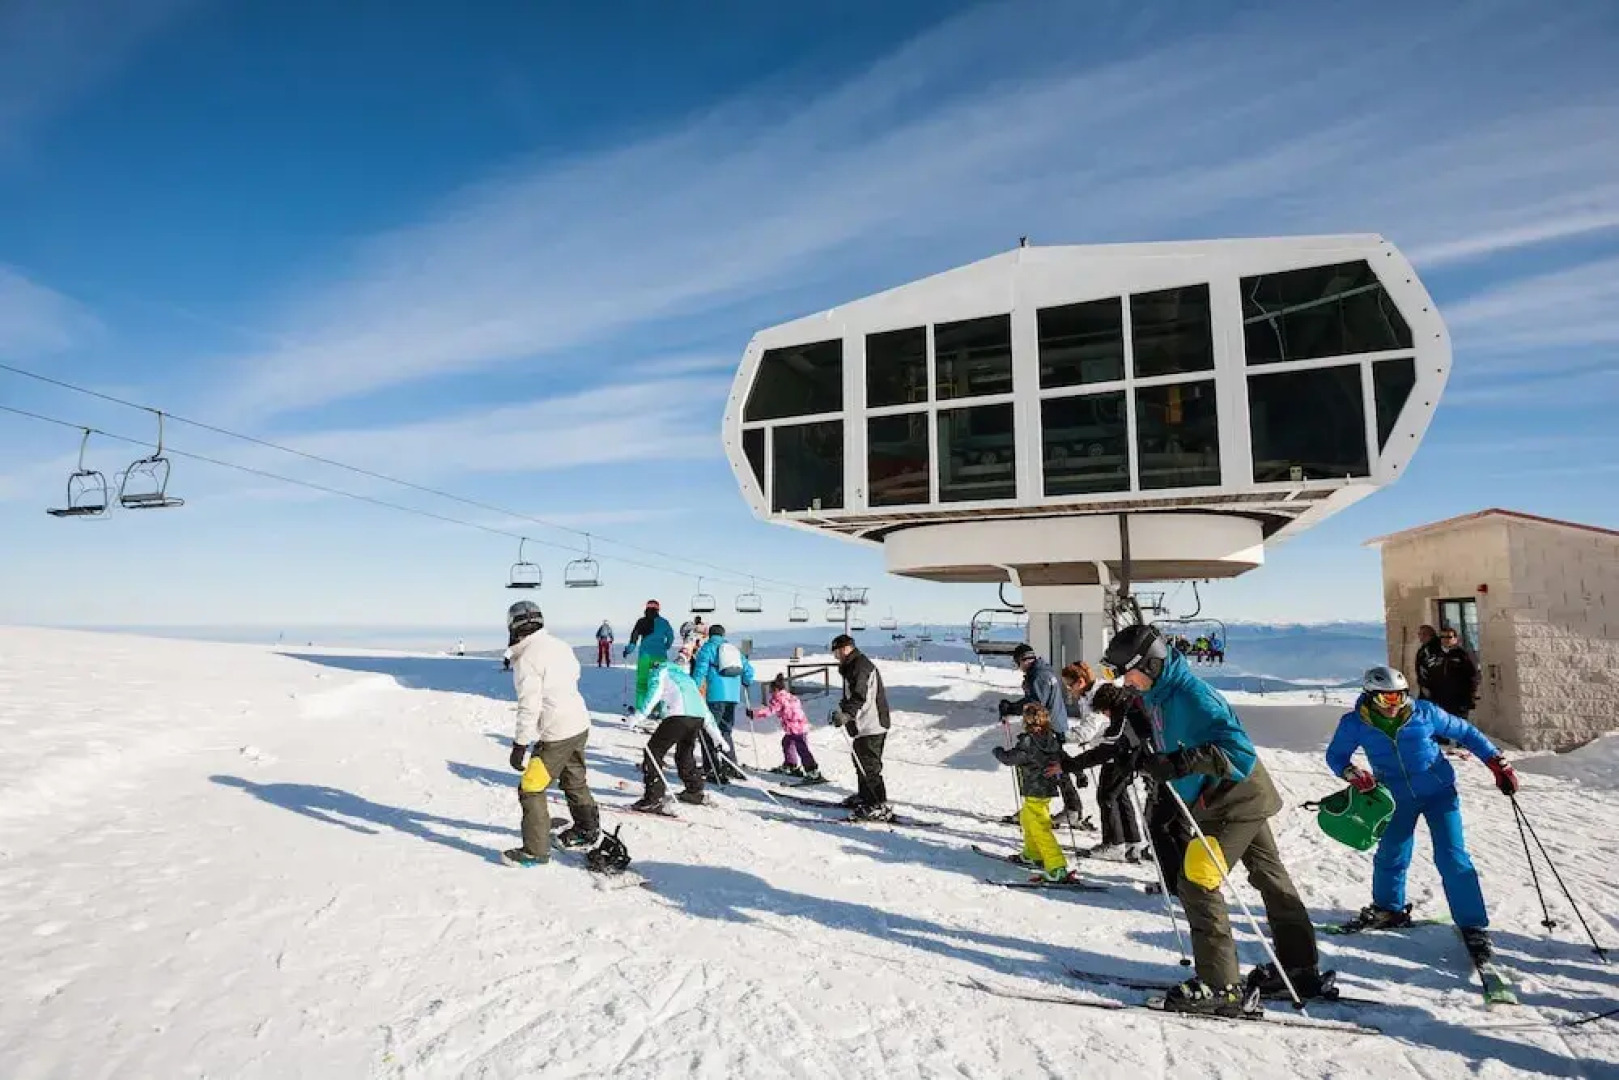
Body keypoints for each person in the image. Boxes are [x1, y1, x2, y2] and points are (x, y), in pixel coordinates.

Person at [1102, 623, 1323, 1015]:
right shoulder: (1158, 693)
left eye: (1127, 672)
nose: (1125, 681)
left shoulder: (1192, 696)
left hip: (1231, 799)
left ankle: (1221, 986)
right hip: (1231, 797)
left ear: (1151, 664)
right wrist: (1145, 754)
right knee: (1269, 876)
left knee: (1197, 881)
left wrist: (1179, 763)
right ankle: (1299, 969)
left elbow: (1239, 753)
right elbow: (1167, 736)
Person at [1325, 665, 1518, 960]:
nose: (1394, 704)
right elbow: (1336, 755)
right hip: (1395, 799)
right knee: (1391, 854)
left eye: (1400, 696)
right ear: (1370, 696)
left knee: (1452, 857)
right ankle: (1388, 909)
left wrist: (1495, 761)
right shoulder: (1355, 723)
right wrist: (1350, 772)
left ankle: (1473, 926)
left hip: (1439, 793)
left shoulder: (1424, 713)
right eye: (1386, 698)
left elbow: (1465, 732)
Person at [500, 601, 599, 867]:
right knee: (574, 779)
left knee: (531, 787)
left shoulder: (527, 659)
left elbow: (529, 705)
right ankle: (587, 829)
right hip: (579, 723)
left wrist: (520, 744)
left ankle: (535, 851)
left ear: (514, 626)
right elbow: (575, 674)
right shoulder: (560, 645)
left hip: (557, 732)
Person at [628, 640, 724, 812]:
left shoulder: (661, 671)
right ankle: (694, 790)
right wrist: (717, 737)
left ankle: (653, 797)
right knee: (684, 754)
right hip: (696, 718)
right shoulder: (687, 679)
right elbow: (703, 708)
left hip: (677, 716)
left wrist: (639, 715)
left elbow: (654, 694)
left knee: (653, 751)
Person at [1001, 645, 1090, 828]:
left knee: (1044, 768)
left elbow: (1035, 705)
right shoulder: (1042, 671)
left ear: (1023, 660)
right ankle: (1071, 808)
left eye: (1018, 663)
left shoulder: (1039, 675)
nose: (1019, 668)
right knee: (1055, 765)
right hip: (1052, 724)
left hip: (1047, 726)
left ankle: (1066, 809)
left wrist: (1012, 708)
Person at [993, 704, 1081, 883]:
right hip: (1045, 790)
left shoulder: (1028, 742)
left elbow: (1012, 758)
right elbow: (1064, 757)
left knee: (1040, 828)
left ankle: (1056, 868)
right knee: (1027, 819)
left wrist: (999, 752)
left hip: (1034, 790)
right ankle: (1033, 854)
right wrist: (1079, 773)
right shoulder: (1051, 739)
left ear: (1026, 722)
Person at [1064, 682, 1147, 863]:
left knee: (1107, 797)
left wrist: (1068, 765)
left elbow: (1107, 750)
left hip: (1124, 759)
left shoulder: (1122, 716)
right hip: (1132, 757)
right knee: (1120, 796)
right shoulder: (1128, 707)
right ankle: (1132, 842)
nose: (1105, 715)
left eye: (1104, 711)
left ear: (1109, 706)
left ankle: (1114, 843)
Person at [828, 634, 892, 822]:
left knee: (869, 766)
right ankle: (865, 796)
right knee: (860, 761)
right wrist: (843, 710)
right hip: (864, 724)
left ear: (845, 649)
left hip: (872, 724)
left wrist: (847, 714)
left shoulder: (859, 667)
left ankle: (878, 804)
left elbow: (860, 696)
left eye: (836, 653)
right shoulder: (853, 666)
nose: (836, 657)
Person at [693, 623, 755, 782]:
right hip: (733, 696)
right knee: (725, 731)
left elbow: (700, 671)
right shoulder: (733, 650)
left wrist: (693, 689)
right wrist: (746, 681)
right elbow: (748, 670)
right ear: (723, 634)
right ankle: (731, 766)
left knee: (709, 731)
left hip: (715, 695)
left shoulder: (707, 648)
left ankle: (712, 769)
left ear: (710, 634)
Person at [754, 673, 822, 781]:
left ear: (776, 689)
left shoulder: (779, 698)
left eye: (771, 690)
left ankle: (812, 770)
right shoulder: (790, 696)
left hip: (796, 728)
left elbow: (770, 710)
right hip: (799, 726)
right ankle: (790, 765)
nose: (770, 693)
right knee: (787, 742)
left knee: (802, 748)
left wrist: (754, 714)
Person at [624, 600, 675, 702]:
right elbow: (671, 637)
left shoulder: (641, 622)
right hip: (660, 656)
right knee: (659, 682)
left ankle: (640, 706)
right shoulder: (664, 622)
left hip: (645, 656)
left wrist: (628, 650)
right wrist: (666, 646)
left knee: (642, 682)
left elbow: (634, 638)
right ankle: (658, 707)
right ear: (658, 609)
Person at [1427, 628, 1480, 720]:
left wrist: (1470, 698)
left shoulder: (1462, 655)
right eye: (1443, 637)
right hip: (1440, 700)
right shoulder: (1435, 655)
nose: (1445, 640)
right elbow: (1429, 676)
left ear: (1455, 639)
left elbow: (1473, 676)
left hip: (1458, 701)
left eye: (1449, 637)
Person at [1413, 624, 1443, 701]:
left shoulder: (1437, 648)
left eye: (1421, 634)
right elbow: (1420, 669)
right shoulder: (1423, 650)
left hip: (1437, 688)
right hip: (1426, 687)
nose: (1420, 637)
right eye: (1419, 634)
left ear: (1428, 635)